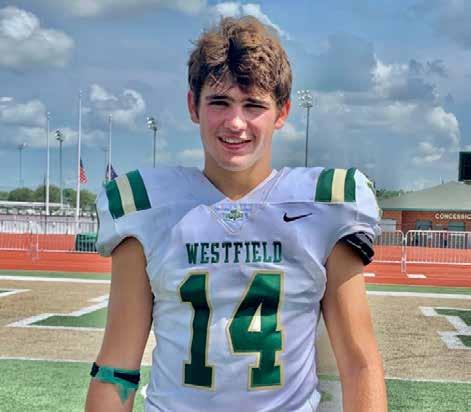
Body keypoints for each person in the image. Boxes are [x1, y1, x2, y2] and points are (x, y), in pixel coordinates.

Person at [85, 16, 387, 411]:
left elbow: (359, 364)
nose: (235, 122)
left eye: (254, 105)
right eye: (219, 102)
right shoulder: (148, 208)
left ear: (282, 112)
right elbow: (117, 365)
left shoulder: (325, 208)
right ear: (193, 105)